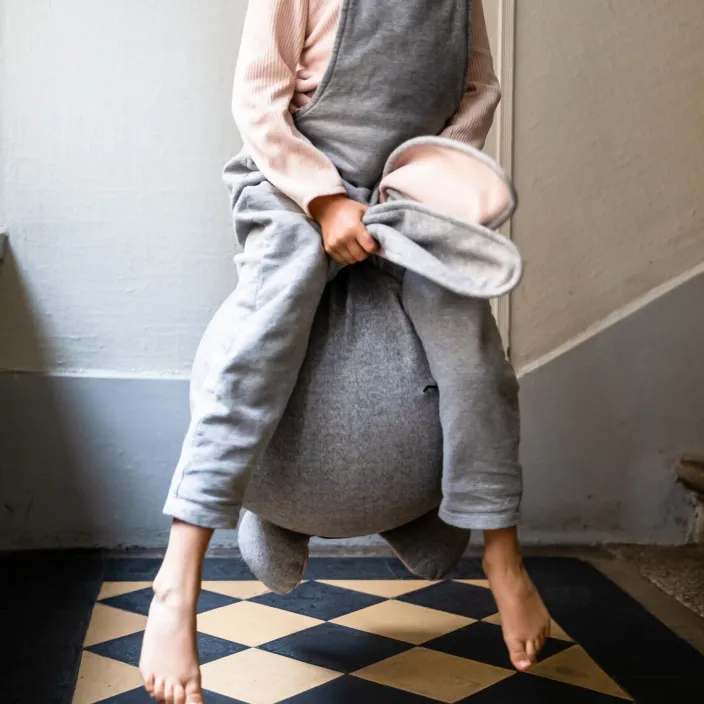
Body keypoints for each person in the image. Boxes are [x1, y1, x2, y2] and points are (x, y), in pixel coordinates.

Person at [139, 1, 551, 702]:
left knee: (476, 354)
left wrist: (424, 179)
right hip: (295, 187)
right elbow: (259, 102)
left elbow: (479, 88)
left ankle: (502, 555)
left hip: (407, 195)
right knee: (260, 341)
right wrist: (326, 200)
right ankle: (179, 575)